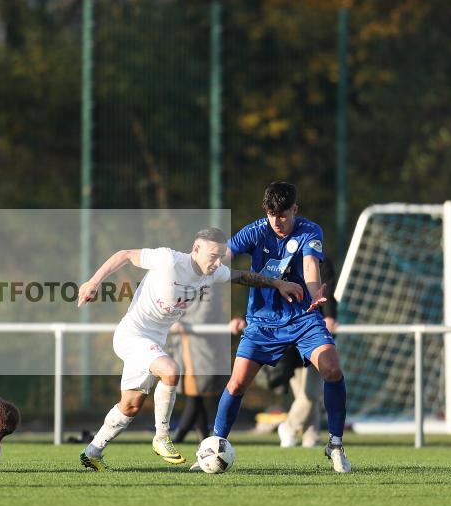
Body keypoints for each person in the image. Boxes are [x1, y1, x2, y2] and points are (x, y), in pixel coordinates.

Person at [76, 228, 303, 470]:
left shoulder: (211, 273)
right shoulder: (168, 259)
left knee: (130, 406)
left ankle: (92, 452)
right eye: (213, 255)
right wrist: (93, 282)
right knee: (171, 370)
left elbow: (243, 277)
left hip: (153, 341)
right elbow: (124, 254)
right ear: (196, 249)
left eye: (221, 256)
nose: (217, 263)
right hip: (132, 335)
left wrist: (278, 283)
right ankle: (162, 437)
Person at [207, 181, 351, 473]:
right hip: (262, 321)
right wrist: (209, 261)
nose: (277, 221)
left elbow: (311, 266)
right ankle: (214, 446)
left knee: (332, 368)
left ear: (294, 209)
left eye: (283, 215)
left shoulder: (310, 231)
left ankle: (335, 444)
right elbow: (224, 258)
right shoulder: (257, 230)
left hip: (302, 318)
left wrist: (314, 296)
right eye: (272, 215)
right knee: (236, 384)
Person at [275, 256, 339, 448]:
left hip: (315, 333)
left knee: (311, 393)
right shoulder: (281, 260)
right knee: (304, 396)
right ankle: (312, 437)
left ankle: (288, 427)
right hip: (289, 338)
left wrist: (329, 316)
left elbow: (327, 291)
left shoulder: (322, 261)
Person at [169, 314, 245, 443]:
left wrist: (183, 321)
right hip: (188, 347)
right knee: (195, 397)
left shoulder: (204, 297)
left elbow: (205, 312)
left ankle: (181, 438)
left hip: (199, 349)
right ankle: (203, 438)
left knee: (195, 396)